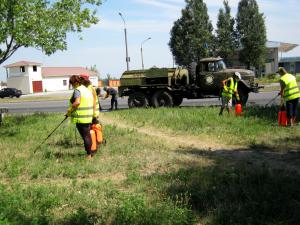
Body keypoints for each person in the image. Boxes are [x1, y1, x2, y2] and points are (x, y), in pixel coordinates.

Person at [66, 75, 94, 159]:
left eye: (71, 83)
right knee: (87, 135)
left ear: (75, 82)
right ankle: (90, 153)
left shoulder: (78, 90)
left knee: (86, 136)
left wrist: (69, 111)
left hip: (81, 117)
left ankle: (89, 155)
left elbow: (77, 102)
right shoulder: (86, 89)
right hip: (88, 116)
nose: (71, 85)